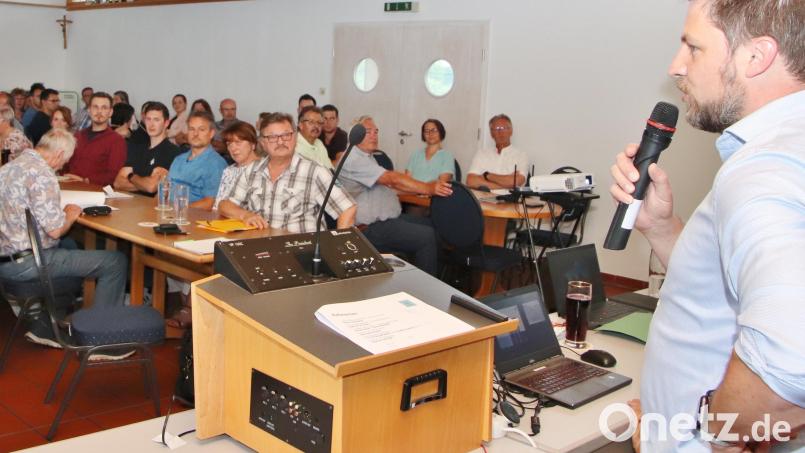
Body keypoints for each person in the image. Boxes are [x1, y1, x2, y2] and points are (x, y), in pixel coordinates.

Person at [609, 1, 805, 451]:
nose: (676, 67)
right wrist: (661, 227)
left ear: (756, 56)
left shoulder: (762, 170)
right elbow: (726, 292)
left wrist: (700, 436)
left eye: (693, 48)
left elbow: (791, 363)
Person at [0, 128, 127, 348]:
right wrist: (70, 215)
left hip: (6, 259)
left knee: (69, 244)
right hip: (29, 263)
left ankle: (46, 323)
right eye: (65, 161)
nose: (63, 166)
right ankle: (101, 339)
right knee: (114, 261)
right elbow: (55, 231)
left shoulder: (8, 168)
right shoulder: (42, 173)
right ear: (59, 154)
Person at [337, 115, 451, 276]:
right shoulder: (353, 159)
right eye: (368, 132)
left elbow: (389, 186)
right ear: (354, 136)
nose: (374, 135)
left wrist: (418, 189)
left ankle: (429, 279)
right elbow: (391, 179)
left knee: (433, 226)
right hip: (368, 228)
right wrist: (428, 188)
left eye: (376, 132)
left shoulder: (367, 157)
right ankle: (427, 291)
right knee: (426, 237)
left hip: (386, 219)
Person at [219, 112, 356, 232]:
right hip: (260, 249)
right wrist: (245, 215)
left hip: (300, 252)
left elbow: (348, 209)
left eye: (286, 135)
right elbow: (225, 205)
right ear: (262, 143)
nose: (280, 141)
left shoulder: (315, 171)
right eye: (272, 137)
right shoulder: (251, 171)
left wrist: (338, 248)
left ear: (295, 138)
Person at [113, 101, 182, 196]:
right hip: (131, 204)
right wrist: (142, 184)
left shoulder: (172, 151)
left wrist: (130, 176)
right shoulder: (137, 148)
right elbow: (118, 182)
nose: (151, 124)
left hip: (152, 207)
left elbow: (151, 187)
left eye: (156, 120)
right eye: (148, 119)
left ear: (166, 123)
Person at [167, 111, 228, 210]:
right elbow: (165, 190)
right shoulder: (178, 159)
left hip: (193, 218)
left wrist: (179, 209)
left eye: (201, 130)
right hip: (168, 215)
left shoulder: (216, 164)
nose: (195, 134)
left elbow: (210, 203)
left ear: (211, 133)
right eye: (191, 129)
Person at [63, 92, 127, 186]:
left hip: (96, 193)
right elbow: (66, 163)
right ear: (89, 110)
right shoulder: (78, 136)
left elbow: (113, 174)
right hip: (69, 186)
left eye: (104, 108)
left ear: (110, 112)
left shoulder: (117, 141)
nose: (99, 111)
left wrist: (84, 180)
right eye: (95, 107)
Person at [466, 114, 528, 190]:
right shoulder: (482, 154)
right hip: (482, 199)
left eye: (504, 128)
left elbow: (517, 181)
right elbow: (471, 181)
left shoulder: (521, 155)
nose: (500, 132)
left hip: (509, 200)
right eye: (497, 128)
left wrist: (487, 175)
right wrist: (505, 185)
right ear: (491, 134)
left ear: (511, 131)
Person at [212, 121, 262, 210]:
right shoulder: (229, 170)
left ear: (253, 144)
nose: (233, 148)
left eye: (238, 142)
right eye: (229, 144)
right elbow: (217, 206)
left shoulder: (262, 169)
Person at [406, 118, 455, 183]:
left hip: (433, 192)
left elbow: (442, 183)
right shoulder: (415, 154)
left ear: (441, 132)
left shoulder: (447, 156)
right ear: (423, 134)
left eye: (434, 130)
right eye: (426, 131)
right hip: (413, 192)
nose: (430, 134)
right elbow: (406, 181)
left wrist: (422, 189)